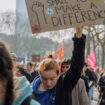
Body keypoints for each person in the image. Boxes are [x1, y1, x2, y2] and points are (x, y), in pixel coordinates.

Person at [55, 24, 88, 105]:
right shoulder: (32, 90)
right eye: (45, 78)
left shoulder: (64, 82)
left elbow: (77, 64)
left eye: (52, 79)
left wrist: (79, 37)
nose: (48, 83)